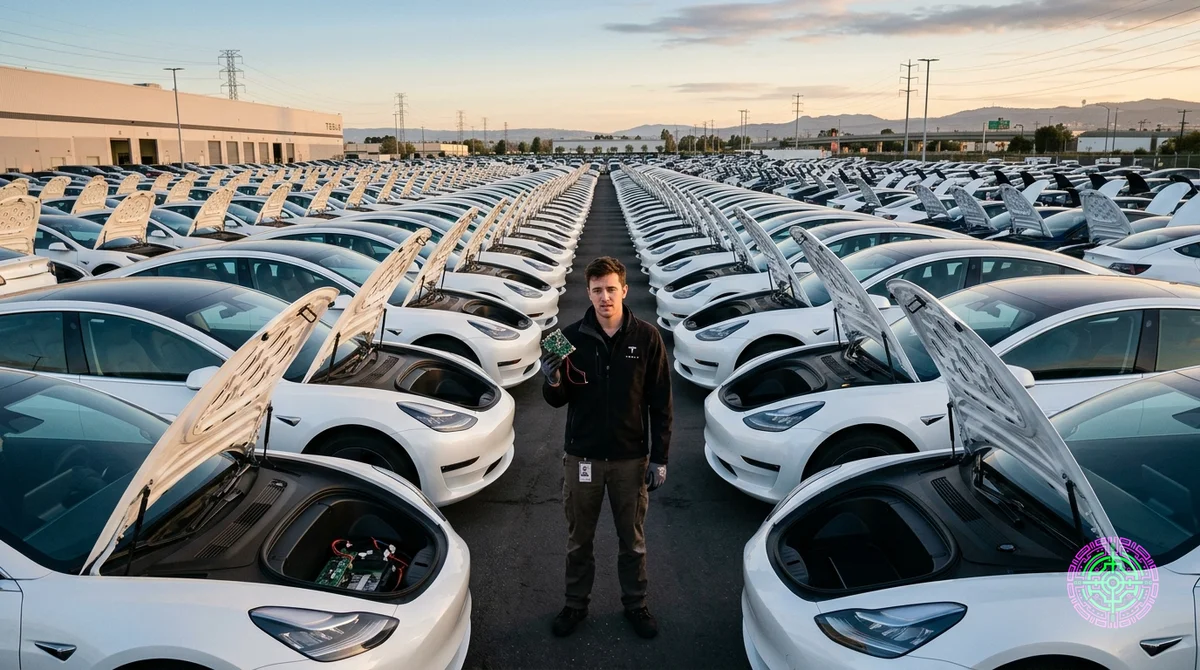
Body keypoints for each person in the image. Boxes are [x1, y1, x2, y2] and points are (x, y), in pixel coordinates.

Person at [541, 256, 673, 639]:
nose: (605, 297)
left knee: (632, 541)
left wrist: (660, 458)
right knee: (579, 540)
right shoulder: (565, 337)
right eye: (597, 290)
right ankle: (574, 605)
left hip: (630, 460)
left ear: (624, 290)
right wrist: (551, 381)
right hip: (582, 457)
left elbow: (661, 403)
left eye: (611, 289)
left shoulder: (648, 338)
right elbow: (556, 399)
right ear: (588, 292)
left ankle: (636, 604)